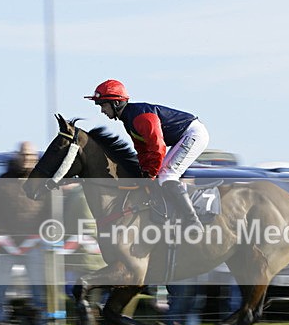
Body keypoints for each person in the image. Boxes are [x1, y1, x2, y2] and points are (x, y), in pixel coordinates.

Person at [85, 79, 209, 231]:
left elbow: (157, 148)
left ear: (116, 103)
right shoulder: (128, 119)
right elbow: (143, 149)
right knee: (160, 174)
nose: (102, 110)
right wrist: (144, 172)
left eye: (103, 105)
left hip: (193, 134)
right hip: (183, 136)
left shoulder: (140, 117)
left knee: (167, 175)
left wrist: (150, 174)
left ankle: (193, 222)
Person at [0, 147, 48, 325]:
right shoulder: (3, 181)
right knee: (1, 291)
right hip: (7, 245)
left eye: (31, 156)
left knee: (38, 292)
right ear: (17, 156)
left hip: (34, 244)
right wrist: (3, 233)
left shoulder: (41, 180)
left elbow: (49, 210)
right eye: (24, 155)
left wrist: (40, 233)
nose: (27, 159)